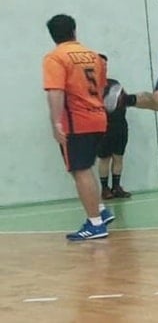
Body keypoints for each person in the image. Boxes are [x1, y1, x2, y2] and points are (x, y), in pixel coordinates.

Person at [42, 14, 115, 241]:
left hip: (76, 121)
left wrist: (56, 122)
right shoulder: (94, 56)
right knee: (80, 167)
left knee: (81, 169)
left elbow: (56, 91)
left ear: (53, 35)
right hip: (99, 117)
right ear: (74, 30)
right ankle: (100, 210)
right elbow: (102, 87)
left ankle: (95, 224)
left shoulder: (55, 58)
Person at [98, 77, 132, 199]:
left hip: (120, 126)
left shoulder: (115, 83)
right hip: (104, 127)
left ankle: (116, 187)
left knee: (118, 157)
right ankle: (105, 189)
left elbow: (126, 100)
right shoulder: (93, 86)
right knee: (105, 159)